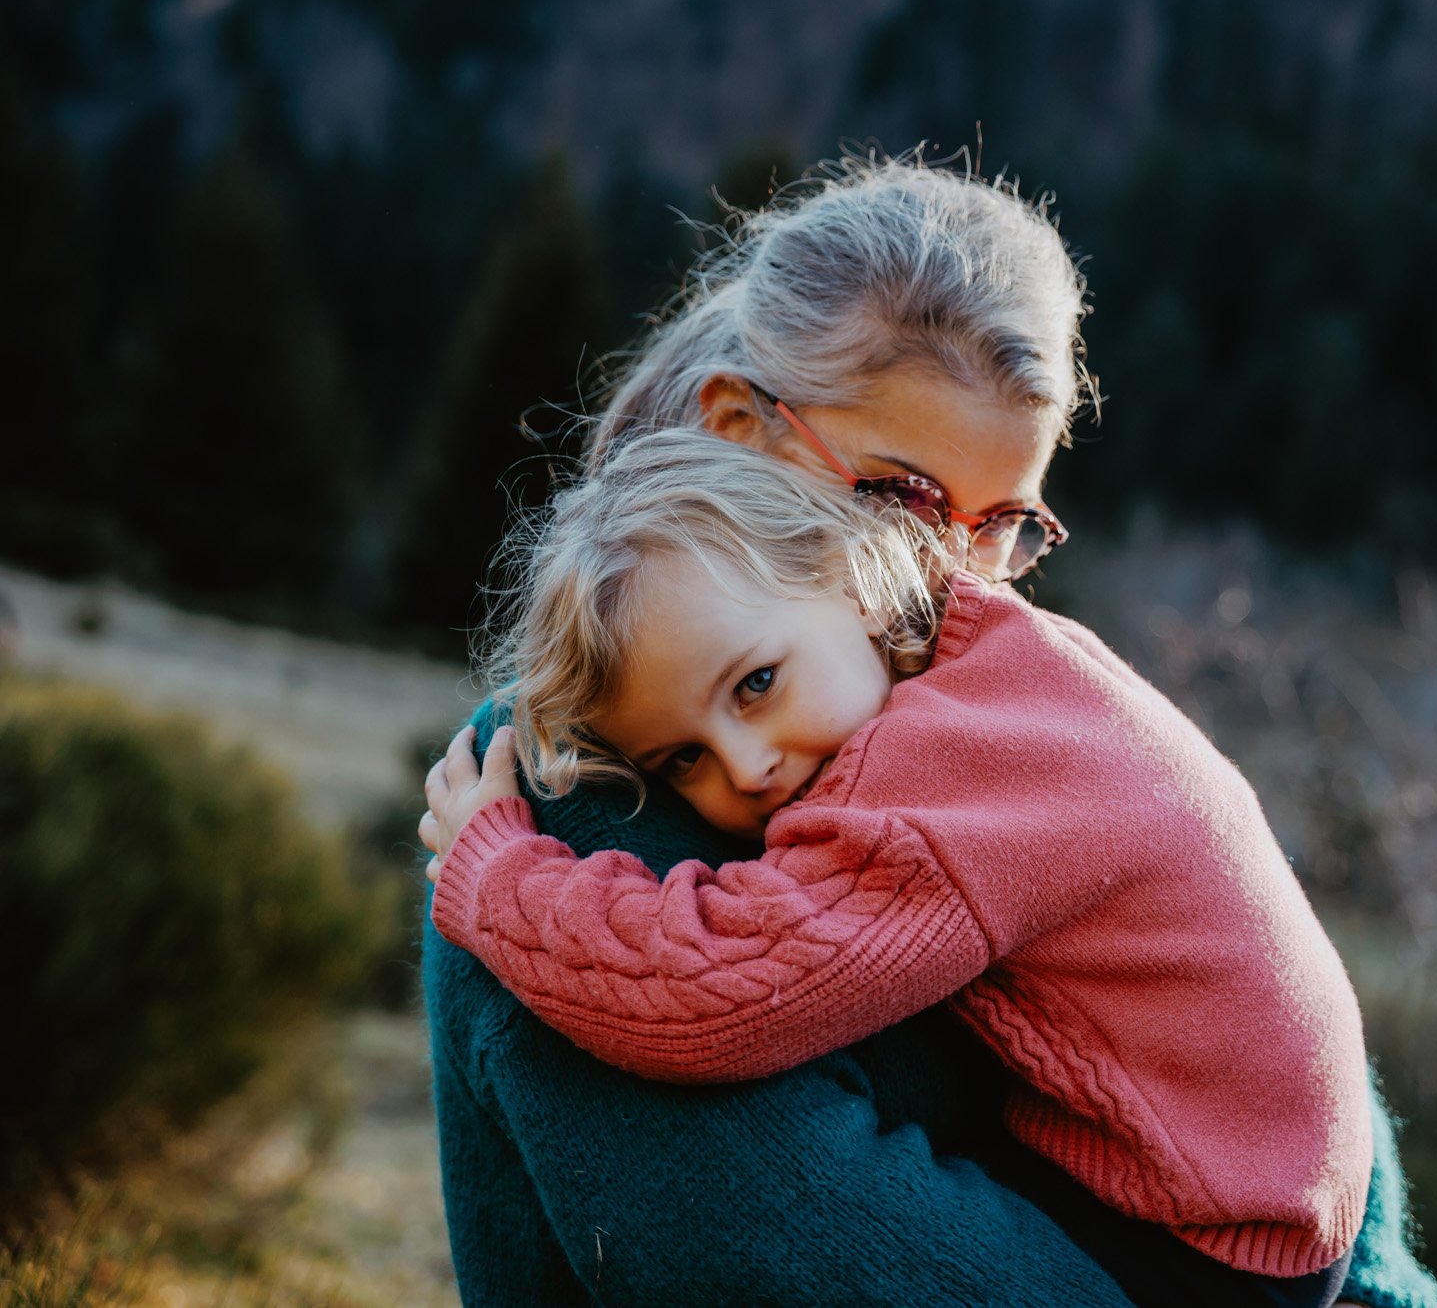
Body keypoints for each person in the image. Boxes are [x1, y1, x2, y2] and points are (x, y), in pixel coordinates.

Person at [418, 153, 1437, 1307]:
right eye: (901, 499)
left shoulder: (975, 711)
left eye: (1004, 523)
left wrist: (496, 875)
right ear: (739, 429)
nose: (953, 570)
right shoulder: (591, 754)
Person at [425, 428, 1370, 1305]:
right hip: (1269, 1185)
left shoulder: (938, 779)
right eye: (683, 759)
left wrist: (499, 874)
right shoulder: (1000, 655)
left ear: (853, 580)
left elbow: (716, 983)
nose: (747, 767)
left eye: (757, 684)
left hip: (1205, 1243)